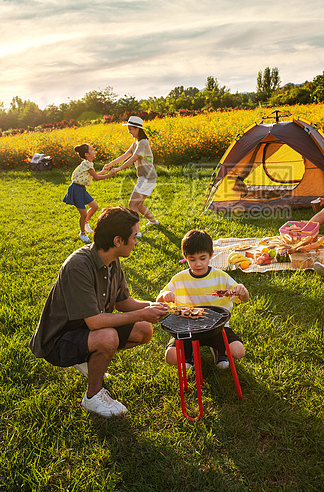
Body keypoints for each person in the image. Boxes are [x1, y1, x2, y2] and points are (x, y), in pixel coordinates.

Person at [29, 206, 169, 418]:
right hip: (57, 341)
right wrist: (142, 313)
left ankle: (88, 358)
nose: (137, 241)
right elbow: (95, 322)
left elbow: (124, 302)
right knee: (107, 336)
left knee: (143, 329)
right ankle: (92, 397)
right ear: (117, 241)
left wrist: (154, 306)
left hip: (85, 330)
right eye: (134, 236)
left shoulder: (112, 260)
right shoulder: (78, 266)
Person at [156, 229, 249, 370]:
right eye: (192, 260)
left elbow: (245, 299)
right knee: (171, 357)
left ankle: (217, 349)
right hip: (186, 328)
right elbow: (158, 300)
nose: (198, 264)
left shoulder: (220, 276)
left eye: (202, 258)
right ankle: (190, 354)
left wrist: (243, 291)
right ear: (185, 257)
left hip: (217, 327)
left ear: (211, 255)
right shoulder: (179, 279)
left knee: (238, 351)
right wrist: (165, 295)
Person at [104, 116, 158, 235]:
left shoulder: (143, 142)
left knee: (132, 204)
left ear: (138, 129)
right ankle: (154, 222)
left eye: (131, 129)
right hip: (147, 177)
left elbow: (134, 158)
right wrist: (110, 164)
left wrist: (119, 168)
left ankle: (136, 232)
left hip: (147, 177)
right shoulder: (136, 143)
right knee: (138, 204)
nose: (129, 132)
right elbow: (125, 155)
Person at [63, 144, 115, 244]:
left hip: (81, 188)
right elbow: (97, 178)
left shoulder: (88, 163)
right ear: (87, 154)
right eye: (91, 150)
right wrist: (110, 174)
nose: (94, 151)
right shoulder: (87, 164)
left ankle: (85, 222)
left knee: (94, 206)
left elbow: (93, 175)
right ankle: (82, 233)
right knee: (83, 214)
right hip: (76, 189)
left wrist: (103, 171)